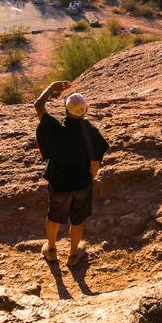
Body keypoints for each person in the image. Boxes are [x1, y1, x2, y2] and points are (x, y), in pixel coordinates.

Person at [34, 81, 108, 268]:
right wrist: (89, 179)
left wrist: (51, 87)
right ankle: (74, 254)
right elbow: (94, 162)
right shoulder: (91, 133)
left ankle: (50, 250)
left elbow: (38, 106)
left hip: (58, 183)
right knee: (78, 219)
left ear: (65, 110)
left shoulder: (55, 127)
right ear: (86, 110)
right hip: (82, 184)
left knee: (54, 216)